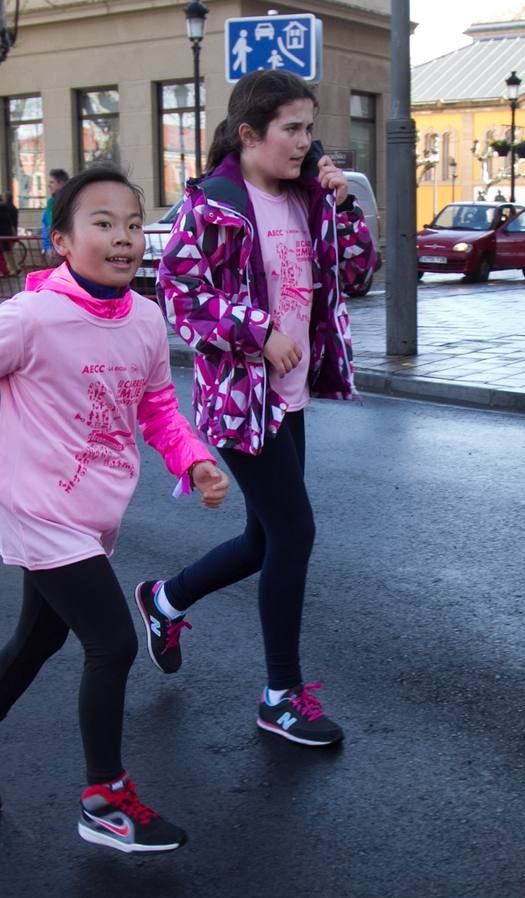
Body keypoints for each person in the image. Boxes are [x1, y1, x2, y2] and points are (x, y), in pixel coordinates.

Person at [0, 166, 230, 854]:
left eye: (134, 225)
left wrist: (192, 458)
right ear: (61, 241)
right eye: (102, 224)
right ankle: (103, 798)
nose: (123, 238)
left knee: (39, 637)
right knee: (110, 642)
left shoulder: (143, 317)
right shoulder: (31, 315)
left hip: (92, 513)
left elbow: (157, 407)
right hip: (35, 506)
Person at [151, 70, 377, 747]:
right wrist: (258, 331)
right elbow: (179, 295)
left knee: (264, 539)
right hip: (240, 402)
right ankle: (279, 697)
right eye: (292, 130)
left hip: (289, 394)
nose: (305, 144)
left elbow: (359, 273)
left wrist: (342, 207)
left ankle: (164, 600)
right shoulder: (214, 205)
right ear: (249, 134)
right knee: (294, 533)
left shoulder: (308, 199)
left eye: (310, 130)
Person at [40, 168, 69, 258]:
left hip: (63, 248)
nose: (49, 185)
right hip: (56, 248)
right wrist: (47, 247)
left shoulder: (69, 201)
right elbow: (47, 226)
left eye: (52, 182)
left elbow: (51, 226)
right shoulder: (51, 203)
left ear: (61, 183)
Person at [0, 193, 19, 277]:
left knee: (0, 254)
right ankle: (14, 269)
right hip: (8, 234)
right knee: (9, 252)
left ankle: (4, 271)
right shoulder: (8, 209)